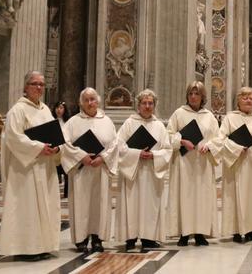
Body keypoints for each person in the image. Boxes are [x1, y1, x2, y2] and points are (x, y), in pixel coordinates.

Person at [0, 71, 61, 260]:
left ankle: (42, 246)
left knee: (45, 206)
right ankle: (25, 248)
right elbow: (14, 138)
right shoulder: (17, 110)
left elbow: (54, 133)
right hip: (25, 169)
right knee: (28, 207)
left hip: (45, 166)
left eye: (41, 84)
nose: (39, 88)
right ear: (26, 87)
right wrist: (39, 147)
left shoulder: (45, 110)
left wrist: (56, 148)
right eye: (35, 84)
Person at [61, 88, 119, 253]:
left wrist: (103, 158)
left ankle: (97, 238)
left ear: (98, 101)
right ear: (81, 102)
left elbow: (114, 144)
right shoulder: (72, 122)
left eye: (92, 99)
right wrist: (81, 156)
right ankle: (81, 238)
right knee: (81, 203)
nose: (89, 103)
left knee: (99, 204)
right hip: (81, 170)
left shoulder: (107, 121)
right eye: (86, 100)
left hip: (100, 169)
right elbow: (65, 143)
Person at [116, 89, 172, 251]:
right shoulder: (129, 123)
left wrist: (154, 155)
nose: (147, 106)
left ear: (154, 105)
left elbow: (167, 149)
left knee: (150, 205)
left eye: (150, 103)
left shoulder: (159, 126)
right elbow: (119, 145)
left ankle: (148, 238)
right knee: (132, 204)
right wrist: (137, 153)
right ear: (138, 105)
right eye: (144, 103)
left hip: (151, 172)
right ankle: (131, 237)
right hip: (133, 172)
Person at [167, 81, 221, 247]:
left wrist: (209, 146)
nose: (193, 97)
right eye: (190, 93)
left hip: (202, 163)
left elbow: (218, 138)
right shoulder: (178, 114)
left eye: (197, 94)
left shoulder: (209, 116)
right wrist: (182, 141)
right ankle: (184, 233)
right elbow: (168, 135)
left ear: (202, 96)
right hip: (183, 163)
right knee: (185, 196)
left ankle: (199, 233)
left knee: (201, 198)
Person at [220, 87, 252, 243]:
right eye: (244, 97)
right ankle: (236, 230)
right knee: (237, 196)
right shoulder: (230, 118)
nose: (248, 100)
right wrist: (236, 148)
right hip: (238, 164)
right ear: (238, 100)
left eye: (251, 98)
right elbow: (220, 140)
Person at [52, 101, 70, 198]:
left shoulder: (68, 122)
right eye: (57, 108)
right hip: (54, 151)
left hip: (65, 151)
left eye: (61, 108)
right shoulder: (50, 121)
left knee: (67, 172)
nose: (59, 110)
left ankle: (67, 193)